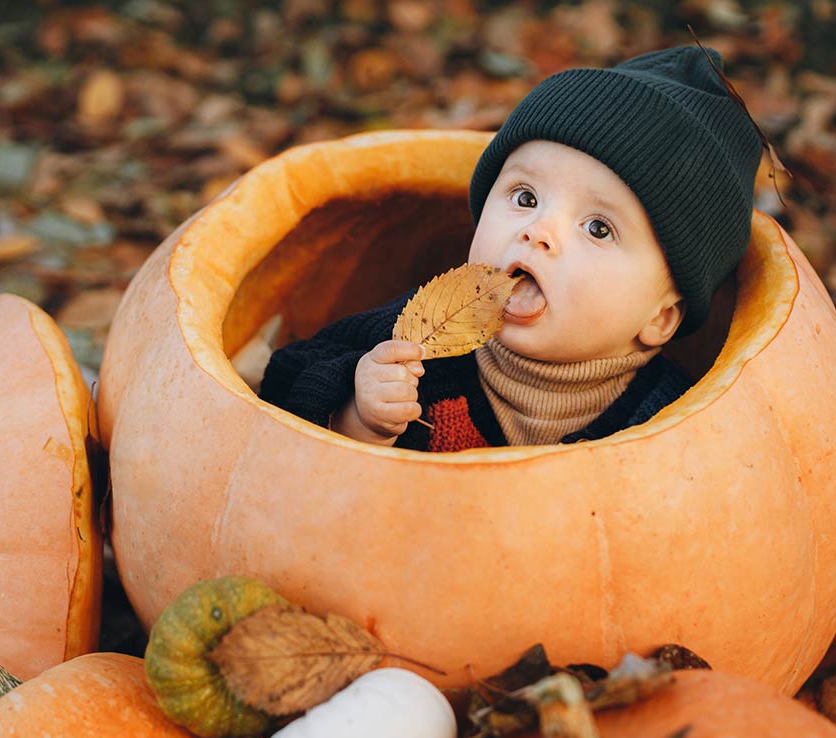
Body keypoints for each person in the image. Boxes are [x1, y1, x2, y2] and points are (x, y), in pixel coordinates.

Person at [260, 45, 764, 452]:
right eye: (525, 198)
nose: (538, 230)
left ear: (660, 319)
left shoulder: (667, 428)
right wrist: (360, 418)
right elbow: (282, 406)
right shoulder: (417, 345)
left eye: (598, 229)